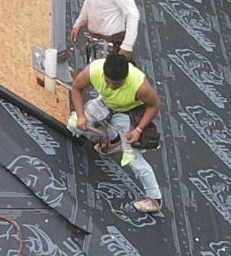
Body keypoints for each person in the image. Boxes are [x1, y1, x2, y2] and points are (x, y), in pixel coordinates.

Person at [68, 50, 164, 215]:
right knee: (74, 125)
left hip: (127, 113)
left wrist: (138, 129)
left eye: (116, 84)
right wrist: (81, 116)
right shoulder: (94, 70)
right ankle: (112, 141)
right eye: (108, 82)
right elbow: (76, 88)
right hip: (106, 103)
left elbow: (154, 105)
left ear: (125, 78)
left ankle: (155, 198)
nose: (111, 86)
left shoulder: (139, 85)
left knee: (132, 156)